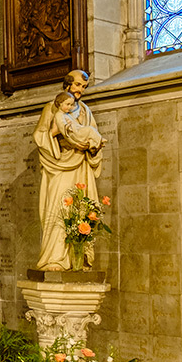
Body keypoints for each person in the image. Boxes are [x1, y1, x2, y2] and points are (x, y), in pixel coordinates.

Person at [32, 70, 105, 271]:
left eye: (84, 87)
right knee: (58, 208)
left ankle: (78, 257)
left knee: (80, 209)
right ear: (67, 85)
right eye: (78, 85)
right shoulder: (52, 108)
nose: (81, 90)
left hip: (80, 165)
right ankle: (54, 259)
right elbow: (40, 136)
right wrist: (55, 133)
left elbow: (94, 135)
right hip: (59, 165)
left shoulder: (85, 111)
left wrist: (90, 147)